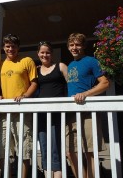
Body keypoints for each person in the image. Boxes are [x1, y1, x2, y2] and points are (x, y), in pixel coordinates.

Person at [65, 33, 109, 178]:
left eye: (77, 44)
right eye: (71, 45)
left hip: (87, 111)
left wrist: (86, 94)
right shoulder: (70, 65)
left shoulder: (91, 61)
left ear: (83, 46)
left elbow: (105, 83)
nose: (74, 47)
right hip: (71, 113)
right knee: (70, 152)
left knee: (89, 151)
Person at [0, 34, 38, 178]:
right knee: (2, 149)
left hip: (22, 111)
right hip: (4, 112)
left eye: (13, 46)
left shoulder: (26, 61)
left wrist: (25, 96)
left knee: (24, 148)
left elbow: (34, 83)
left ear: (18, 47)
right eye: (7, 46)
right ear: (4, 47)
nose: (10, 49)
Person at [36, 41, 68, 178]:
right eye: (42, 52)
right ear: (38, 54)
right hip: (41, 115)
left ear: (52, 53)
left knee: (56, 147)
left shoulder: (60, 66)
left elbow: (71, 85)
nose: (45, 55)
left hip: (57, 114)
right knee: (44, 146)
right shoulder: (36, 70)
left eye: (47, 52)